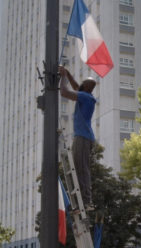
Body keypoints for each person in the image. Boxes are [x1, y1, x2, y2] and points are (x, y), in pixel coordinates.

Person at [59, 66, 97, 211]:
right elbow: (76, 86)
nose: (80, 84)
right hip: (83, 137)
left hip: (83, 137)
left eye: (83, 83)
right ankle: (80, 201)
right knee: (79, 167)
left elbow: (65, 92)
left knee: (82, 168)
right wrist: (68, 73)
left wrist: (63, 77)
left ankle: (86, 201)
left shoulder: (86, 97)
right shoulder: (87, 95)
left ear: (87, 87)